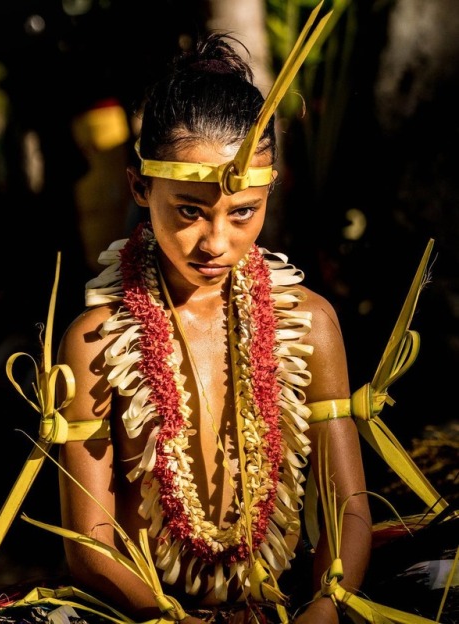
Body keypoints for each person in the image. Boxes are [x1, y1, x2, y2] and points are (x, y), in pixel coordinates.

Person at [55, 31, 373, 624]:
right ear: (139, 187)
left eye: (242, 212)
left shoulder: (310, 323)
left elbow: (349, 507)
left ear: (269, 192)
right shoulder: (96, 342)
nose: (216, 241)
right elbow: (89, 546)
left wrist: (327, 605)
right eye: (189, 210)